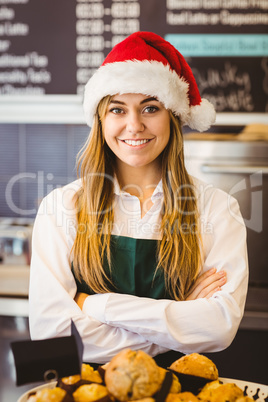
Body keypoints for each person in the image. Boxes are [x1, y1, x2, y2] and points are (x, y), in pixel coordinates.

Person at [29, 32, 248, 366]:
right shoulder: (61, 208)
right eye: (118, 109)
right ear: (101, 121)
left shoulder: (217, 208)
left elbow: (218, 329)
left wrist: (94, 306)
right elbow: (54, 339)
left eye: (150, 108)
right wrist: (179, 318)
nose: (134, 125)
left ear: (173, 117)